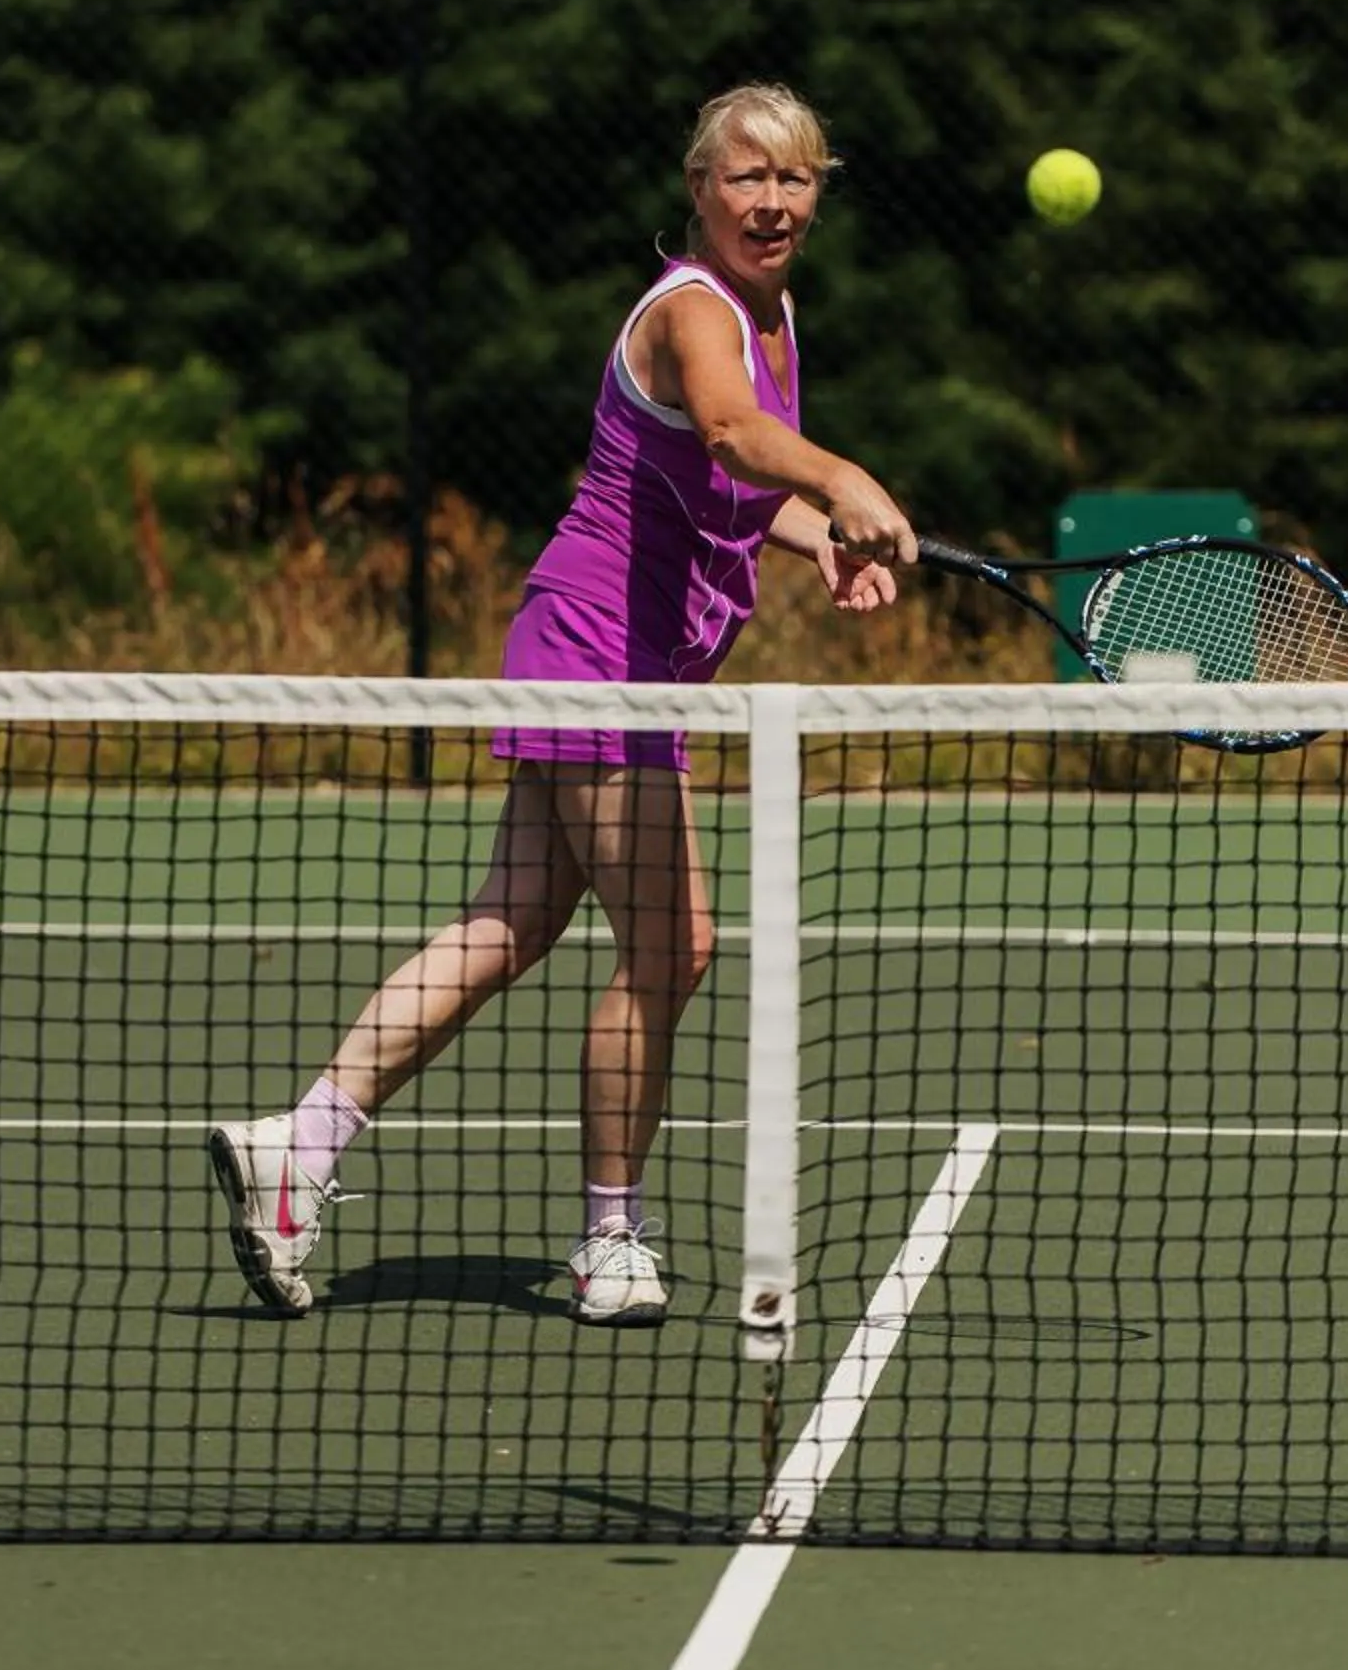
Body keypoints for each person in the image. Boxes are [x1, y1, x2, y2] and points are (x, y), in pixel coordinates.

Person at [207, 84, 914, 1327]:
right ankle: (610, 1234)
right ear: (697, 188)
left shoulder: (773, 308)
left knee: (514, 917)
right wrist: (846, 477)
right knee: (672, 945)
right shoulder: (697, 310)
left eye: (795, 178)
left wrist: (815, 539)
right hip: (599, 654)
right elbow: (734, 433)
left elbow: (729, 486)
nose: (772, 201)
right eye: (746, 177)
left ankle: (297, 1145)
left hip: (616, 654)